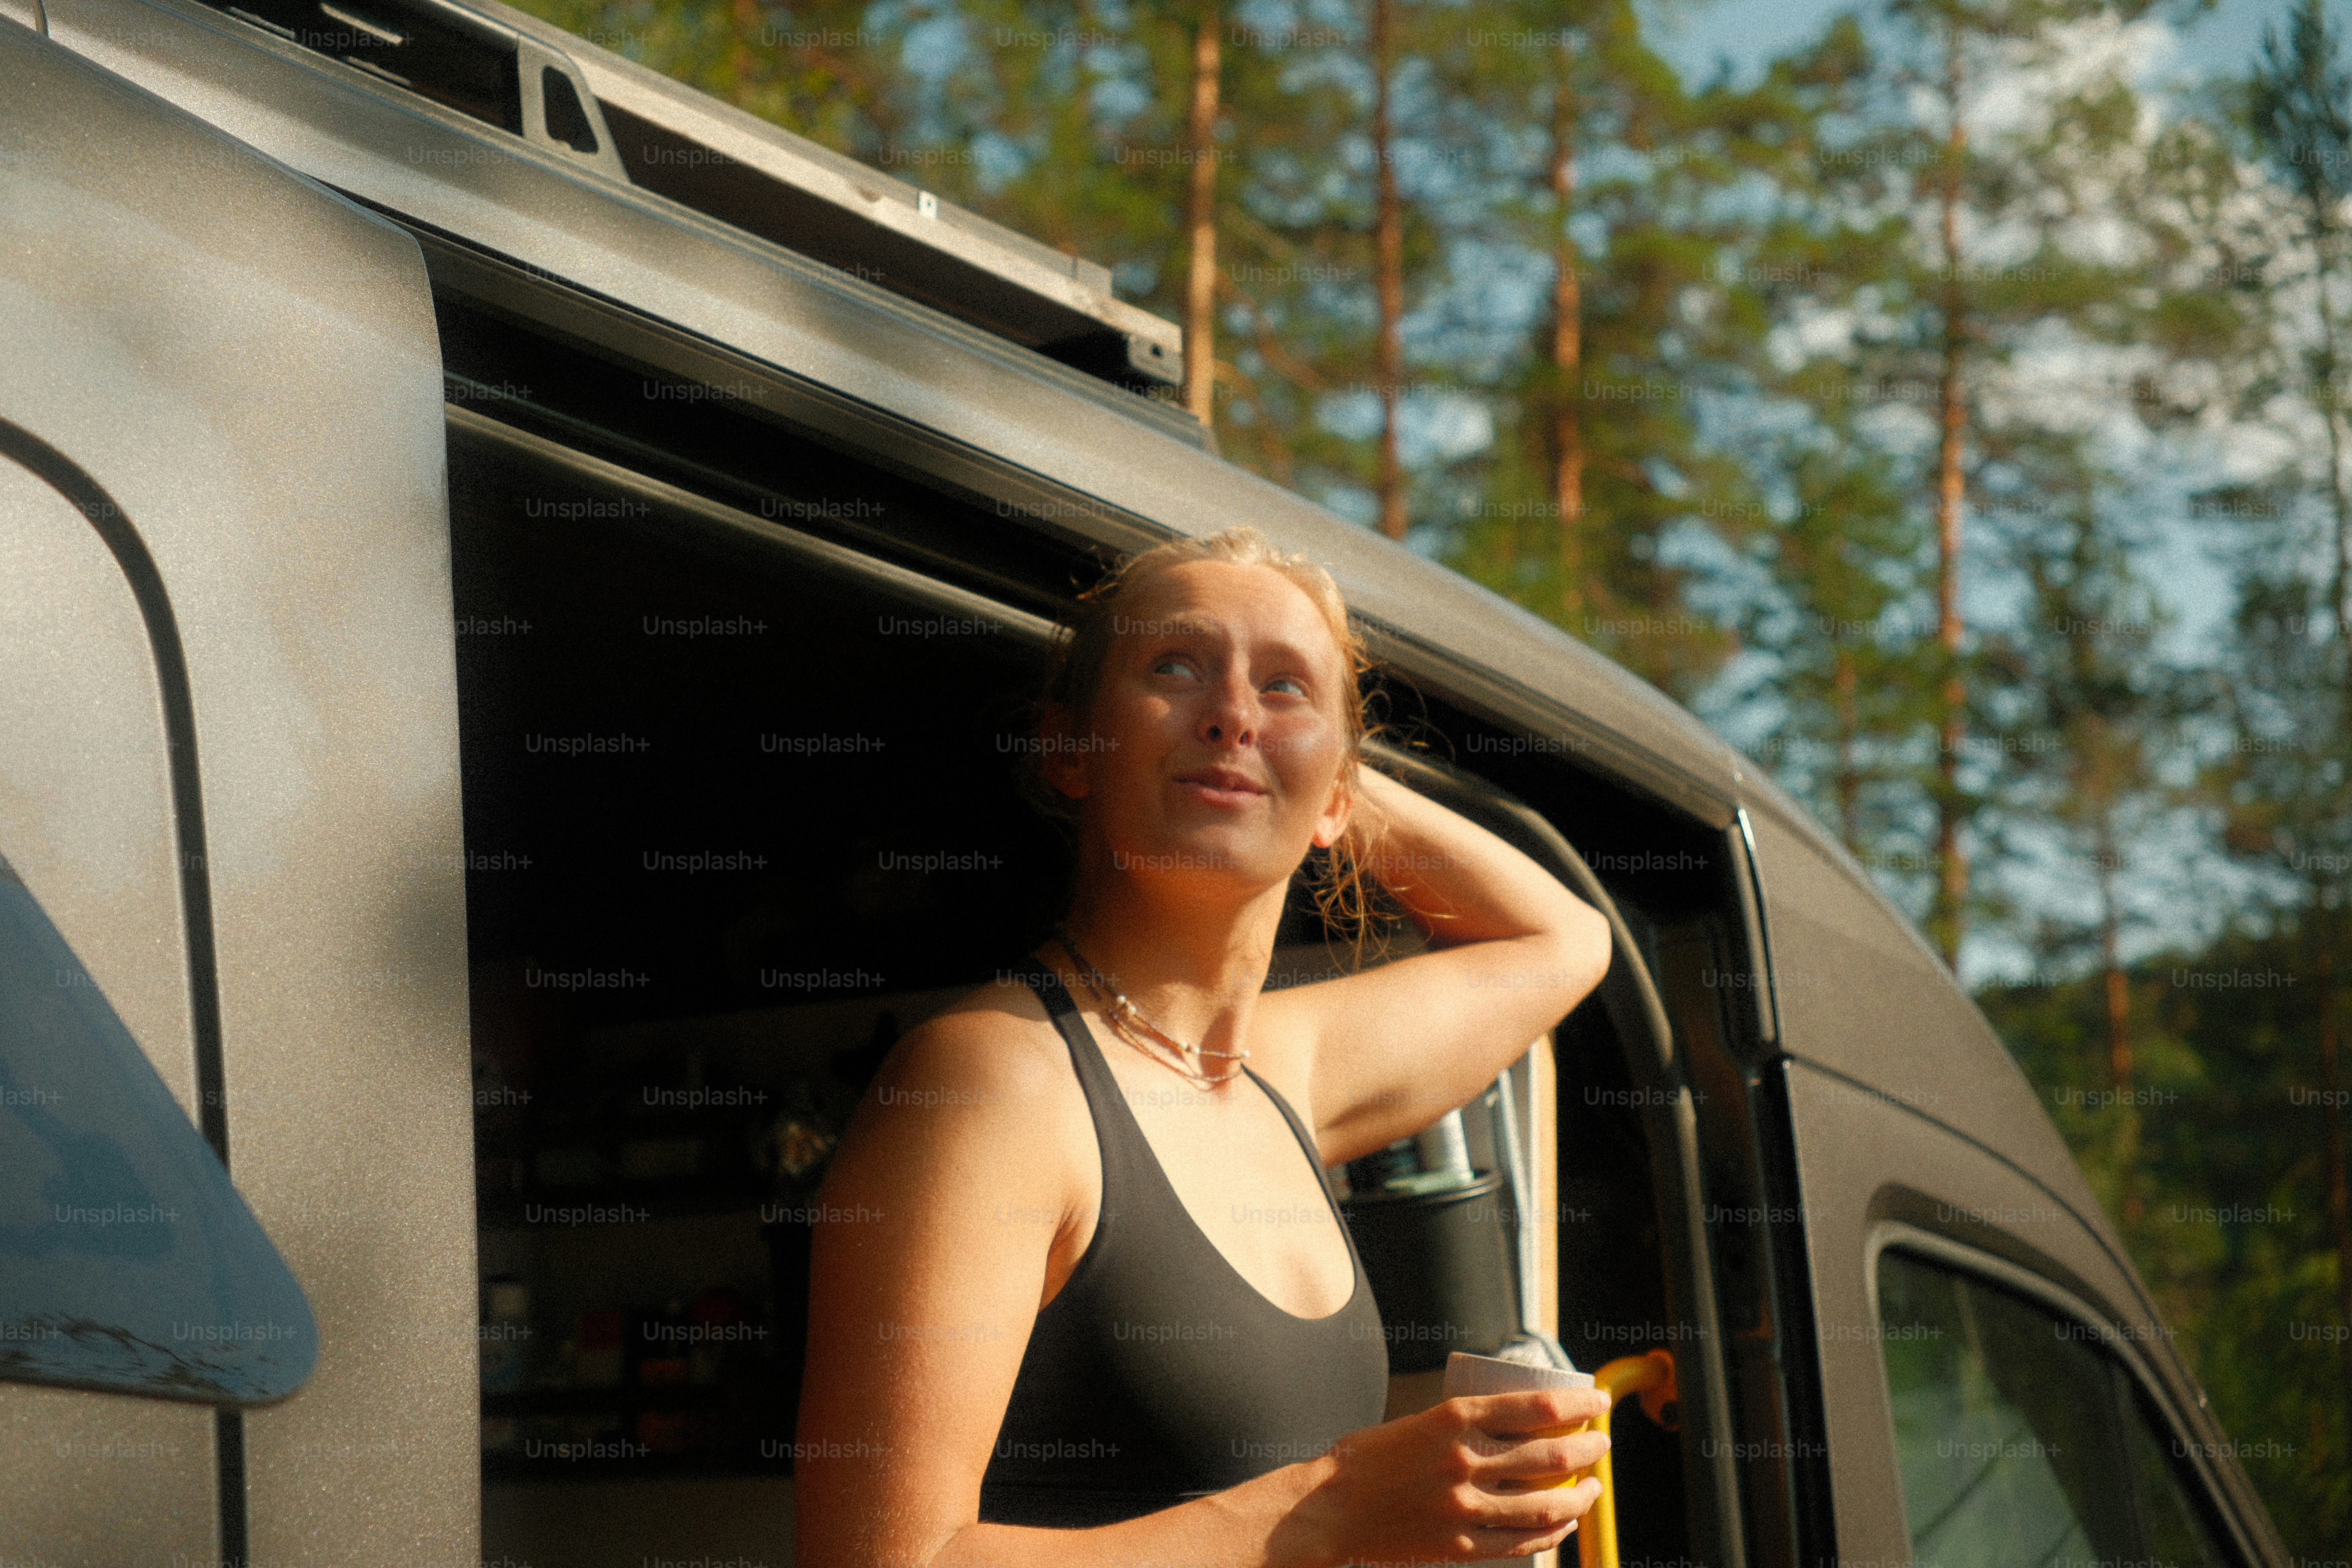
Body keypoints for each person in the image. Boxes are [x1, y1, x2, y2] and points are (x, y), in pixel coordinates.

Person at [794, 525, 1618, 1568]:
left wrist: (1316, 769)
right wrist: (1333, 1509)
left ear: (1341, 801)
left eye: (1282, 688)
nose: (1230, 712)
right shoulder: (994, 1079)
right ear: (1070, 748)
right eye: (1175, 669)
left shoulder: (1281, 1075)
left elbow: (1563, 940)